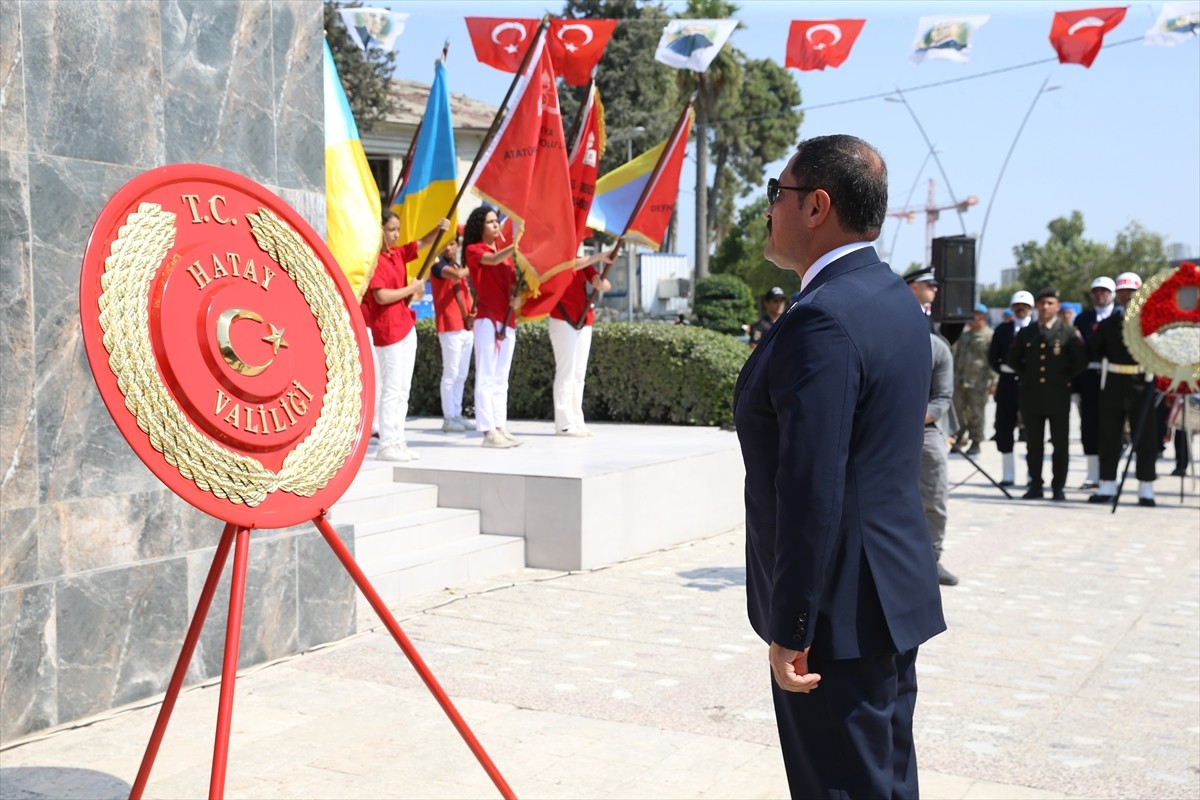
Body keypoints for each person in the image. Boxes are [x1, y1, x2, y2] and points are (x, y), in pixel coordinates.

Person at [734, 134, 945, 799]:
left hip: (838, 615)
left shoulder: (823, 318)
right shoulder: (890, 299)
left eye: (779, 193)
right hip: (884, 594)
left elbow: (812, 484)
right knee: (881, 781)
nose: (770, 208)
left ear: (817, 205)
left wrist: (792, 625)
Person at [363, 212, 450, 462]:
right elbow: (381, 296)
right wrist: (411, 289)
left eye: (397, 229)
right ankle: (387, 444)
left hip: (404, 325)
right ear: (379, 231)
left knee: (403, 389)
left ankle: (398, 440)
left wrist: (438, 228)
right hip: (387, 329)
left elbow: (421, 244)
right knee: (391, 388)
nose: (396, 234)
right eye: (391, 229)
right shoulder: (374, 260)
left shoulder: (397, 254)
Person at [904, 267, 960, 587]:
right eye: (928, 286)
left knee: (934, 492)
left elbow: (942, 399)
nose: (934, 291)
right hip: (886, 428)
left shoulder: (937, 346)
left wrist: (910, 417)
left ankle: (932, 559)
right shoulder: (883, 337)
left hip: (923, 429)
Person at [1007, 287, 1087, 500]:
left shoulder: (1067, 332)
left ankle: (1058, 486)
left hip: (1058, 395)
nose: (1045, 307)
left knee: (1060, 444)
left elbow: (1080, 360)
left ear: (1057, 306)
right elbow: (1012, 358)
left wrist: (1064, 377)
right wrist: (1027, 374)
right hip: (1032, 395)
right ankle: (1035, 484)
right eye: (1042, 303)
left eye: (1050, 303)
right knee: (1034, 444)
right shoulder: (1027, 332)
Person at [1088, 272, 1158, 506]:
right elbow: (1093, 350)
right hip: (1114, 384)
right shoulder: (1108, 324)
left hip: (1142, 384)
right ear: (1117, 295)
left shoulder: (1150, 323)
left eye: (1132, 292)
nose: (1127, 296)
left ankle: (1145, 488)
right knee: (1109, 436)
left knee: (1145, 438)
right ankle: (1107, 484)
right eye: (1123, 292)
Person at [463, 206, 522, 449]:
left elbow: (512, 285)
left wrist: (518, 299)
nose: (496, 225)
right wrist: (517, 245)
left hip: (507, 319)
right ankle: (488, 430)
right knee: (486, 375)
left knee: (501, 377)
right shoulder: (474, 250)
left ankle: (500, 424)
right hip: (487, 319)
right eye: (490, 222)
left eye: (497, 221)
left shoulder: (507, 256)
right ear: (480, 227)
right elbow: (492, 259)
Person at [548, 250, 616, 437]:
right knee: (566, 372)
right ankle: (563, 423)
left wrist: (601, 283)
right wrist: (600, 256)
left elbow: (599, 281)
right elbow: (571, 264)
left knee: (578, 375)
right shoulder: (558, 258)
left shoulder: (583, 261)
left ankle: (577, 419)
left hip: (584, 320)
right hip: (563, 318)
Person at [1073, 276, 1116, 488]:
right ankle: (1092, 474)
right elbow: (1076, 354)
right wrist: (1075, 387)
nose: (1100, 295)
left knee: (1111, 428)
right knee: (1089, 427)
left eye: (1104, 291)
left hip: (1115, 377)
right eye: (1096, 291)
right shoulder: (1083, 319)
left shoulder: (1121, 316)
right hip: (1089, 378)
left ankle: (1109, 474)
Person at [988, 290, 1034, 486]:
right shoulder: (1003, 329)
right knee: (1004, 426)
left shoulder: (1037, 329)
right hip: (1007, 381)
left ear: (1031, 308)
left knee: (1033, 429)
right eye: (1017, 305)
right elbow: (992, 357)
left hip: (1030, 382)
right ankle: (1008, 474)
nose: (1020, 308)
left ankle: (1034, 474)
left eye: (1024, 305)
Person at [430, 236, 475, 433]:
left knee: (461, 374)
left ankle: (457, 413)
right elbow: (456, 276)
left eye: (452, 243)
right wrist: (475, 264)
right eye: (445, 244)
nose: (448, 248)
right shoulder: (438, 266)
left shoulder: (457, 265)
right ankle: (449, 417)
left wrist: (473, 312)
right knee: (451, 373)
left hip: (465, 326)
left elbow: (466, 294)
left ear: (457, 245)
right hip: (449, 326)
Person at [951, 303, 994, 454]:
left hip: (978, 382)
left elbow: (993, 361)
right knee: (958, 410)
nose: (970, 319)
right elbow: (956, 356)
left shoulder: (989, 336)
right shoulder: (964, 336)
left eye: (973, 315)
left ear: (981, 316)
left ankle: (976, 441)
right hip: (960, 380)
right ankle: (959, 436)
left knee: (976, 413)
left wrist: (994, 382)